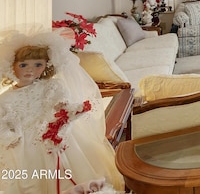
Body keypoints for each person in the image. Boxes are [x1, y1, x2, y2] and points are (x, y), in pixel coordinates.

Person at [0, 32, 124, 193]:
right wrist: (9, 137)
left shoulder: (52, 86)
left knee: (69, 171)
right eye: (23, 65)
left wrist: (69, 112)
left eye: (38, 65)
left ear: (47, 66)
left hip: (52, 134)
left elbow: (61, 106)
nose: (30, 70)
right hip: (21, 144)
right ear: (11, 66)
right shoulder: (5, 98)